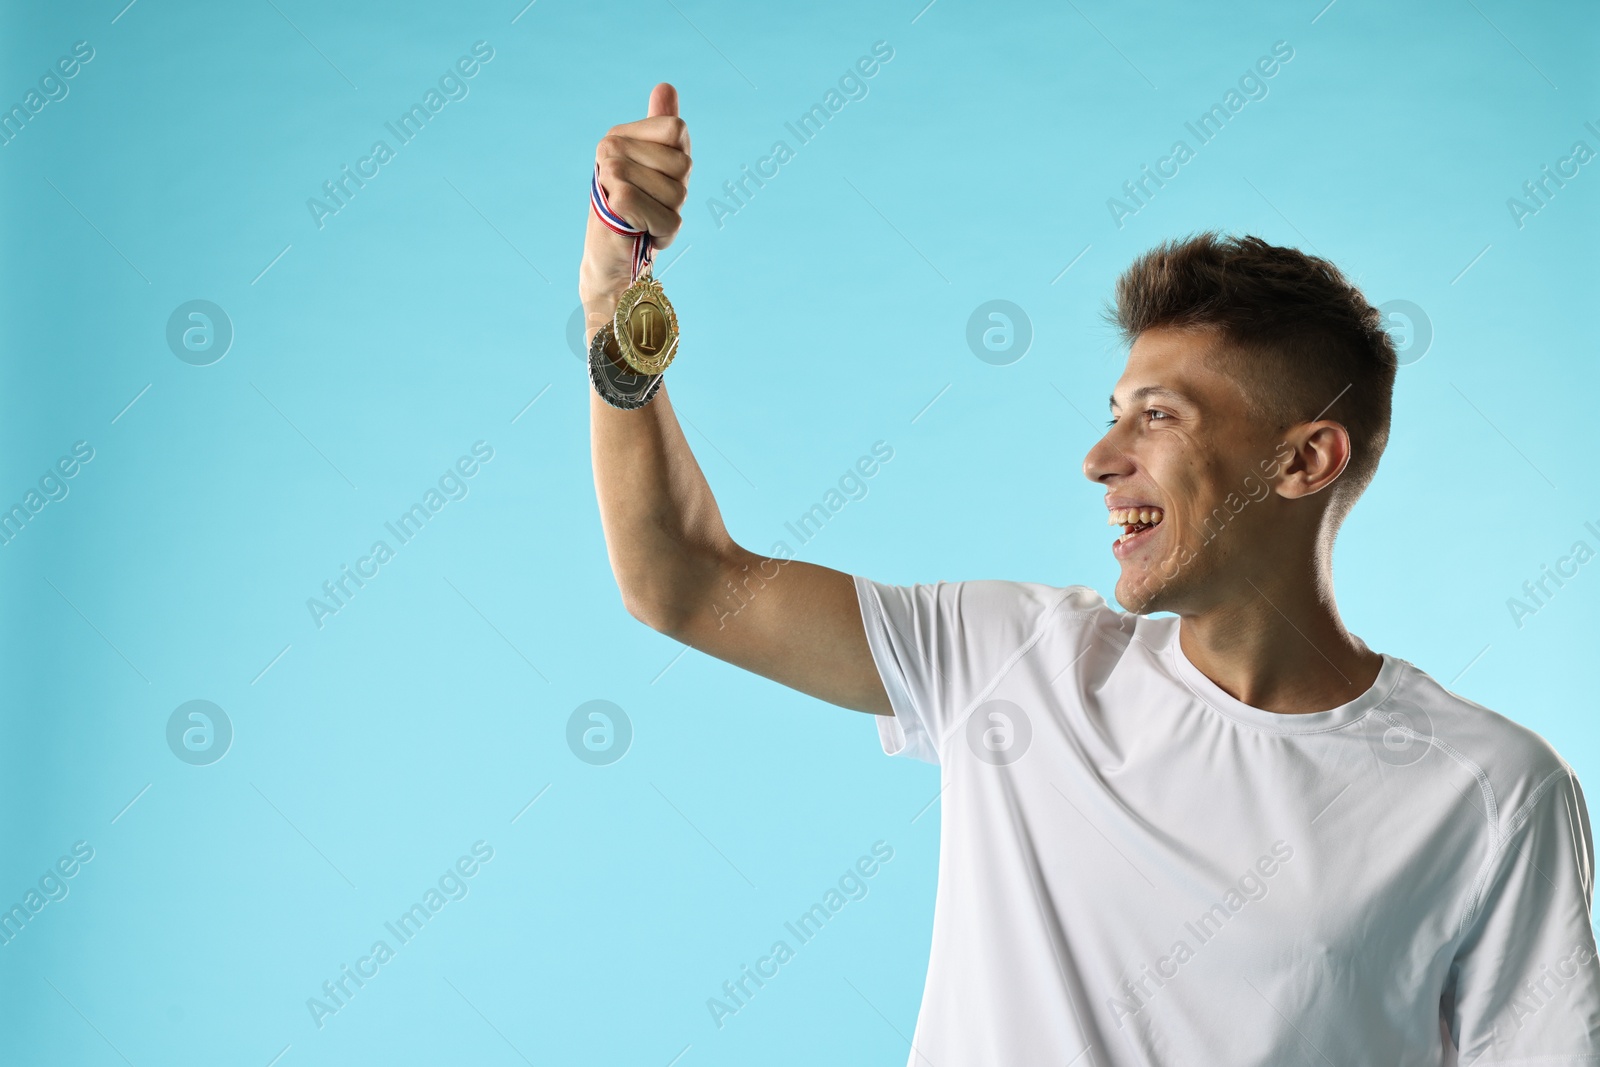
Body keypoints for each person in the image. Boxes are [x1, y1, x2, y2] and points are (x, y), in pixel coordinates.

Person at [582, 83, 1600, 1065]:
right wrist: (611, 291)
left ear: (1304, 460)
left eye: (1157, 415)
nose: (1099, 456)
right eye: (1112, 410)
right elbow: (681, 579)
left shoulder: (1493, 793)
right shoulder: (1010, 660)